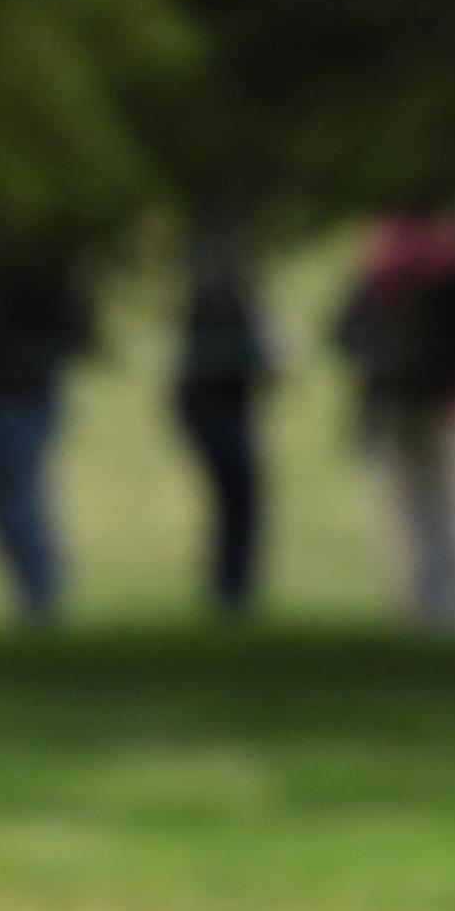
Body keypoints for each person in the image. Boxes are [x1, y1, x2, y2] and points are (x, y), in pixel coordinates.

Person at [333, 213, 455, 632]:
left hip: (403, 403)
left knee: (417, 510)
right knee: (452, 510)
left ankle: (432, 606)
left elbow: (346, 332)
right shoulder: (454, 264)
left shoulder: (385, 269)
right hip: (446, 406)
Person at [0, 261, 90, 625]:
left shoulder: (36, 273)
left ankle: (42, 598)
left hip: (22, 396)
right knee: (5, 504)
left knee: (19, 502)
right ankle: (35, 595)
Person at [172, 222, 274, 617]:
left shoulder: (212, 298)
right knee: (239, 502)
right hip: (220, 413)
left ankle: (232, 588)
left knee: (236, 503)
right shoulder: (222, 300)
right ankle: (232, 589)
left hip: (217, 411)